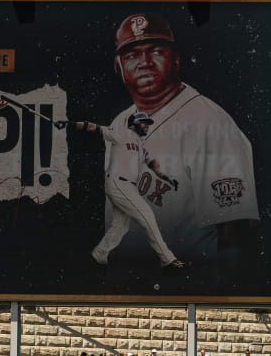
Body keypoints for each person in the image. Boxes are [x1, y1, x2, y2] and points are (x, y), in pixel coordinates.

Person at [96, 12, 260, 271]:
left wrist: (218, 295)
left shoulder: (211, 122)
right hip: (123, 282)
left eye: (156, 51)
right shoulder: (120, 122)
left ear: (176, 59)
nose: (144, 62)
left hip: (187, 281)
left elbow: (235, 231)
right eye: (132, 55)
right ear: (118, 66)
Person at [63, 115, 187, 272]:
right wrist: (71, 124)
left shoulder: (141, 145)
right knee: (147, 216)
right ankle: (168, 260)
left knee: (121, 225)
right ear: (135, 123)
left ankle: (98, 255)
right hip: (118, 182)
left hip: (127, 186)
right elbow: (95, 128)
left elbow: (153, 165)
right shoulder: (122, 133)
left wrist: (168, 178)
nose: (147, 126)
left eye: (148, 123)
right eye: (144, 123)